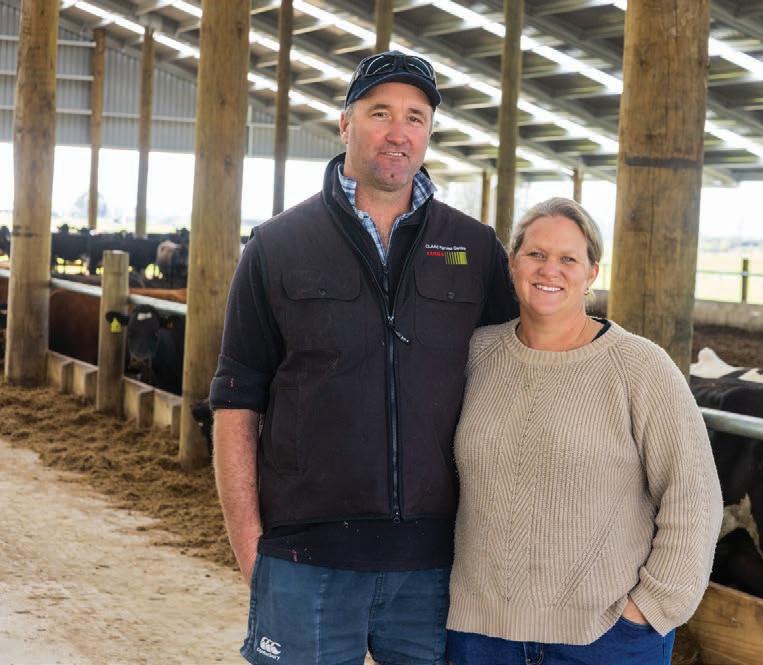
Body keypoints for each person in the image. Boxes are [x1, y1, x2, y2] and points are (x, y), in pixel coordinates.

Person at [209, 51, 517, 665]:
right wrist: (250, 548)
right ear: (345, 122)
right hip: (306, 557)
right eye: (380, 113)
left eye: (415, 117)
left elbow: (521, 378)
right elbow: (236, 403)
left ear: (429, 132)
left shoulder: (475, 248)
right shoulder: (276, 245)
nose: (398, 132)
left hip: (438, 563)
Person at [445, 198, 723, 665]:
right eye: (535, 254)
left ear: (592, 272)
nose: (549, 270)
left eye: (568, 259)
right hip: (481, 635)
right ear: (512, 263)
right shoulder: (476, 355)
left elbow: (693, 493)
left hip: (605, 637)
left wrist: (651, 608)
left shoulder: (639, 366)